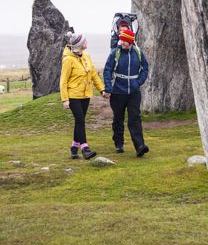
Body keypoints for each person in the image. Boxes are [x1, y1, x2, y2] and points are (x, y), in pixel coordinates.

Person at [60, 31, 108, 160]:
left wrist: (102, 90)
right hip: (73, 96)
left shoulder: (87, 56)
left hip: (86, 95)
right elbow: (63, 81)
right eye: (85, 41)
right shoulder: (68, 60)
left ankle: (74, 148)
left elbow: (93, 75)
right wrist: (65, 99)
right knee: (80, 120)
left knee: (79, 121)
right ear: (80, 44)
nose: (87, 42)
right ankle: (85, 149)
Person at [103, 29, 150, 157]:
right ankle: (119, 143)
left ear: (130, 42)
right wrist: (108, 88)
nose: (122, 42)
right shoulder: (115, 53)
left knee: (134, 118)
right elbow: (107, 71)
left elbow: (145, 68)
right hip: (118, 92)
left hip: (134, 92)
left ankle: (140, 146)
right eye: (121, 40)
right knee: (118, 118)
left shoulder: (138, 53)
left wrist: (138, 82)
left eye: (124, 40)